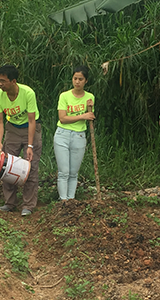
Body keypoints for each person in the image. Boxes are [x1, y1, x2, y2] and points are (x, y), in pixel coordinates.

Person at [0, 65, 42, 216]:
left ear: (13, 81)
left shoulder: (28, 93)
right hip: (12, 129)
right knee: (6, 165)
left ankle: (28, 204)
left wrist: (29, 145)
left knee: (31, 166)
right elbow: (0, 121)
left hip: (31, 128)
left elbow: (32, 120)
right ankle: (10, 202)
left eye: (3, 81)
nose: (0, 84)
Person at [54, 66, 95, 201]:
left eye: (80, 79)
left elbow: (90, 116)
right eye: (75, 78)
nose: (77, 82)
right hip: (62, 135)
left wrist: (89, 111)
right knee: (63, 172)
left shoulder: (90, 97)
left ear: (86, 81)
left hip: (79, 135)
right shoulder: (64, 96)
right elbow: (63, 118)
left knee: (73, 172)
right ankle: (63, 200)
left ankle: (71, 200)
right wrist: (83, 116)